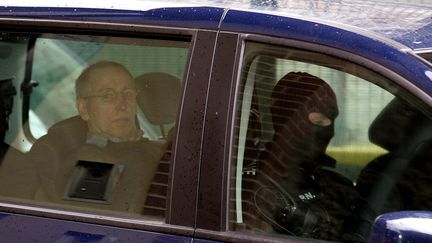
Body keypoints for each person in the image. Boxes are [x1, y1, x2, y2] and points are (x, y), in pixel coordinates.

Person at [30, 61, 164, 214]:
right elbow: (97, 231)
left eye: (127, 94)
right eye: (108, 96)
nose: (122, 104)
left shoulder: (158, 148)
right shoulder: (91, 164)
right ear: (84, 109)